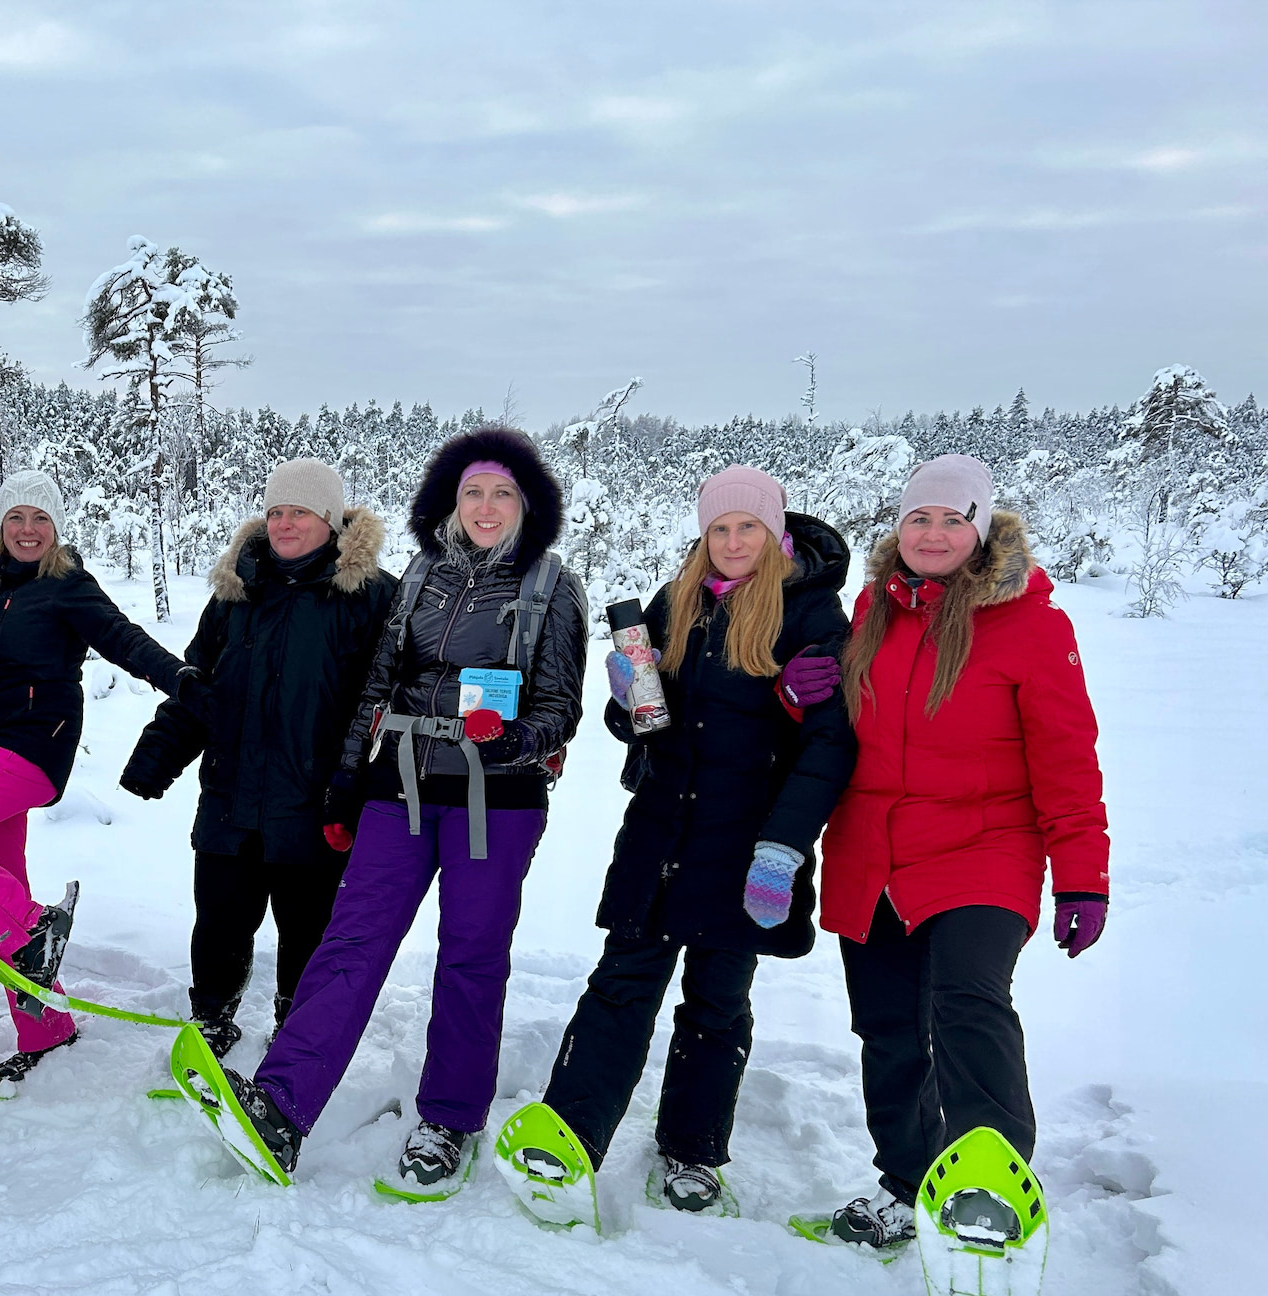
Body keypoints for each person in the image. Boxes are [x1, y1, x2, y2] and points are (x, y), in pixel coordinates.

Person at [222, 426, 589, 1196]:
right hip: (404, 786)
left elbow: (562, 706)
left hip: (499, 797)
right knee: (350, 940)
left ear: (527, 504)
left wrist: (517, 736)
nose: (486, 507)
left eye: (502, 493)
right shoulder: (422, 575)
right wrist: (348, 782)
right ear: (450, 502)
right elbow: (378, 687)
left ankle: (449, 1120)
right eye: (472, 493)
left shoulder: (553, 586)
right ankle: (281, 1106)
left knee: (471, 954)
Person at [536, 467, 857, 1211]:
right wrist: (625, 701)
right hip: (660, 828)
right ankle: (567, 1135)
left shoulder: (812, 616)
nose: (734, 541)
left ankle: (692, 1152)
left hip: (750, 845)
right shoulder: (677, 602)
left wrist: (783, 850)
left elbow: (830, 747)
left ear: (775, 532)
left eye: (748, 526)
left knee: (717, 1000)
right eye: (720, 528)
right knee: (621, 982)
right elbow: (648, 726)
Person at [817, 454, 1110, 1249]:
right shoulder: (872, 612)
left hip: (986, 845)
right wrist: (796, 693)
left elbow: (1066, 756)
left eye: (954, 518)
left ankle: (992, 1185)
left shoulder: (1032, 623)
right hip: (872, 852)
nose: (935, 532)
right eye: (920, 517)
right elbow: (834, 734)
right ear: (899, 528)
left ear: (981, 529)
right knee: (887, 1026)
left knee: (966, 1000)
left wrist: (1082, 876)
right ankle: (906, 1182)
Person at [0, 471, 199, 1094]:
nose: (27, 531)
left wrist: (184, 679)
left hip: (31, 745)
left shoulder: (67, 586)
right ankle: (43, 1027)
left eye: (40, 520)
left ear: (56, 529)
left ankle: (32, 930)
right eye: (16, 520)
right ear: (1, 530)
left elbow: (122, 639)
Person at [120, 459, 397, 1056]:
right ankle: (211, 1021)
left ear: (330, 519)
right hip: (231, 795)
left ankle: (295, 1033)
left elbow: (387, 704)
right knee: (219, 919)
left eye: (299, 512)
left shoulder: (371, 597)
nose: (285, 523)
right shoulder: (235, 593)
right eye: (275, 512)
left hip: (317, 799)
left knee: (308, 929)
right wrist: (157, 755)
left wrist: (367, 786)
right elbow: (201, 688)